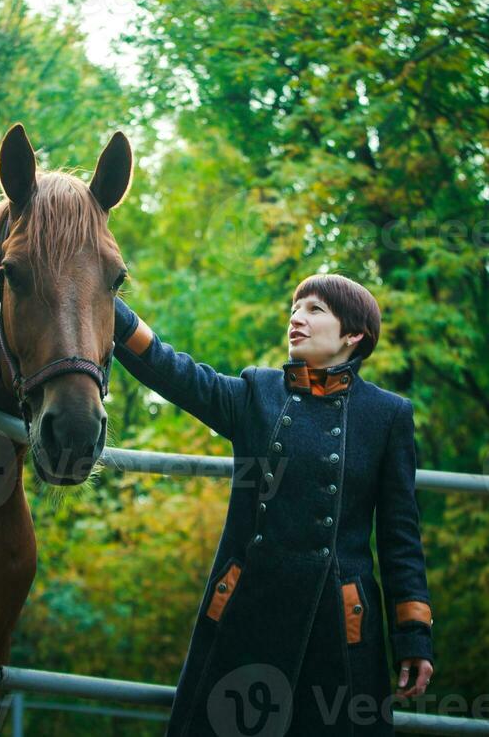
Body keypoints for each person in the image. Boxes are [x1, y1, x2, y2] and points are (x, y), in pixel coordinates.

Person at [113, 273, 434, 737]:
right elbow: (175, 372)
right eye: (294, 310)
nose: (296, 319)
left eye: (314, 310)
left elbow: (400, 536)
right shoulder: (257, 393)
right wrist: (110, 309)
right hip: (247, 611)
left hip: (339, 627)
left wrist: (414, 635)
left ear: (354, 334)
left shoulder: (387, 415)